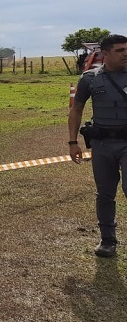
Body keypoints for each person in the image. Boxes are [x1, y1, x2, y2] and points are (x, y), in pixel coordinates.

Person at [68, 34, 127, 258]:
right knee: (104, 194)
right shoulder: (90, 79)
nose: (125, 53)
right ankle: (108, 240)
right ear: (105, 54)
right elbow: (76, 109)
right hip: (102, 145)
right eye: (120, 50)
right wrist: (73, 142)